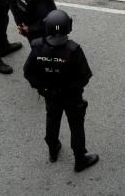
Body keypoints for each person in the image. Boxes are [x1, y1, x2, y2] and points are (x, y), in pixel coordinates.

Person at [23, 10, 100, 172]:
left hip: (50, 94)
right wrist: (71, 89)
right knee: (76, 126)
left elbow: (28, 72)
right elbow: (85, 76)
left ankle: (53, 150)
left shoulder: (37, 46)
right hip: (71, 97)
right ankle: (80, 159)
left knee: (52, 119)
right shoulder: (73, 50)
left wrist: (43, 87)